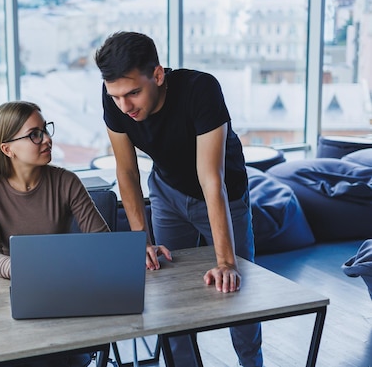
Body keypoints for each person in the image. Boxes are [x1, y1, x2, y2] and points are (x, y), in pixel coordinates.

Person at [94, 31, 263, 367]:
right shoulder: (114, 97)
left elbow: (210, 178)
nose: (124, 106)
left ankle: (251, 363)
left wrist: (226, 261)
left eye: (133, 94)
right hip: (168, 192)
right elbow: (127, 172)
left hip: (222, 195)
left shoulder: (201, 89)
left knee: (237, 289)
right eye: (116, 97)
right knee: (168, 290)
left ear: (157, 75)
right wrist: (139, 241)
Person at [0, 100, 109, 367]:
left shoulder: (67, 181)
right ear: (8, 149)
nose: (47, 139)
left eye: (45, 130)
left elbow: (104, 243)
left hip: (60, 297)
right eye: (35, 134)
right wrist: (31, 268)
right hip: (13, 297)